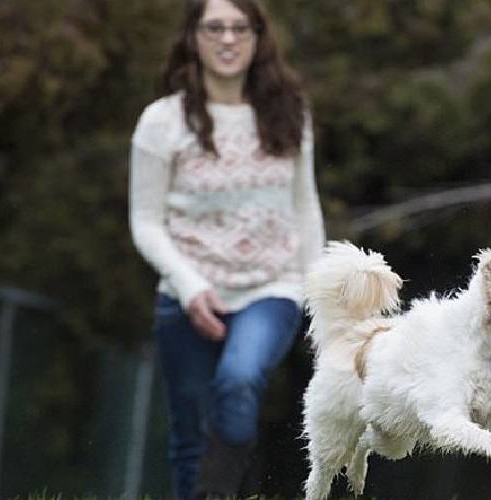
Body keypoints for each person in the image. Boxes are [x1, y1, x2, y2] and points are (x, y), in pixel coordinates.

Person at [128, 0, 324, 497]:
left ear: (258, 38)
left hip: (271, 287)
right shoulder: (162, 123)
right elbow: (146, 221)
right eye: (215, 27)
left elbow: (305, 207)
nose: (228, 39)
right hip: (186, 295)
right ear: (194, 36)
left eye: (241, 28)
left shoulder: (289, 114)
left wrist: (317, 290)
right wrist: (190, 286)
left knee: (238, 381)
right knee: (191, 437)